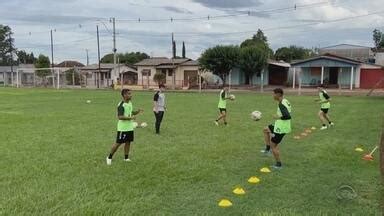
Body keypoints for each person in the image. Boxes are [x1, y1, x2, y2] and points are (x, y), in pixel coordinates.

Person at [106, 89, 143, 165]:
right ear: (124, 95)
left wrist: (137, 111)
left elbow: (130, 112)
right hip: (122, 128)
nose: (131, 95)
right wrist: (131, 118)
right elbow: (120, 116)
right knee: (118, 143)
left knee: (128, 142)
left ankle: (126, 158)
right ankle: (109, 157)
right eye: (129, 94)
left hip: (129, 127)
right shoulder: (121, 105)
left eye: (131, 93)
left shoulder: (129, 103)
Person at [261, 88, 292, 169]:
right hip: (280, 125)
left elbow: (287, 116)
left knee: (273, 145)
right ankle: (267, 149)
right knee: (265, 129)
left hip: (281, 128)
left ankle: (278, 164)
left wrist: (278, 116)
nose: (273, 95)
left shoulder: (281, 104)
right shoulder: (285, 101)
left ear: (278, 94)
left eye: (274, 94)